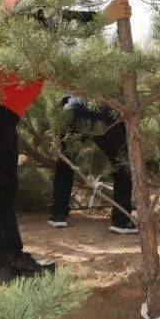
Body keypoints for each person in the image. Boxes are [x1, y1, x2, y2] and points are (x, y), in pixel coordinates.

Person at [0, 0, 131, 283]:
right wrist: (98, 19)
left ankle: (14, 259)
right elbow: (39, 20)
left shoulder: (39, 3)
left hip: (0, 110)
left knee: (4, 185)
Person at [48, 95, 138, 234]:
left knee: (65, 163)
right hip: (104, 109)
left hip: (72, 109)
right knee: (122, 164)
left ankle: (58, 214)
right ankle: (122, 221)